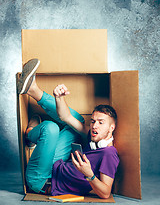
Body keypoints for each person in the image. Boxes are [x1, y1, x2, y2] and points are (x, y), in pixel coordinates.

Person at [17, 59, 119, 199]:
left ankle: (30, 133)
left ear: (111, 128)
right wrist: (59, 98)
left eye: (101, 123)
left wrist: (89, 174)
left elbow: (106, 193)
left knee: (50, 127)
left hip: (43, 181)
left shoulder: (109, 154)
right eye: (93, 121)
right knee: (76, 120)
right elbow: (66, 117)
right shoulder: (93, 136)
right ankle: (33, 90)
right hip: (55, 165)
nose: (95, 126)